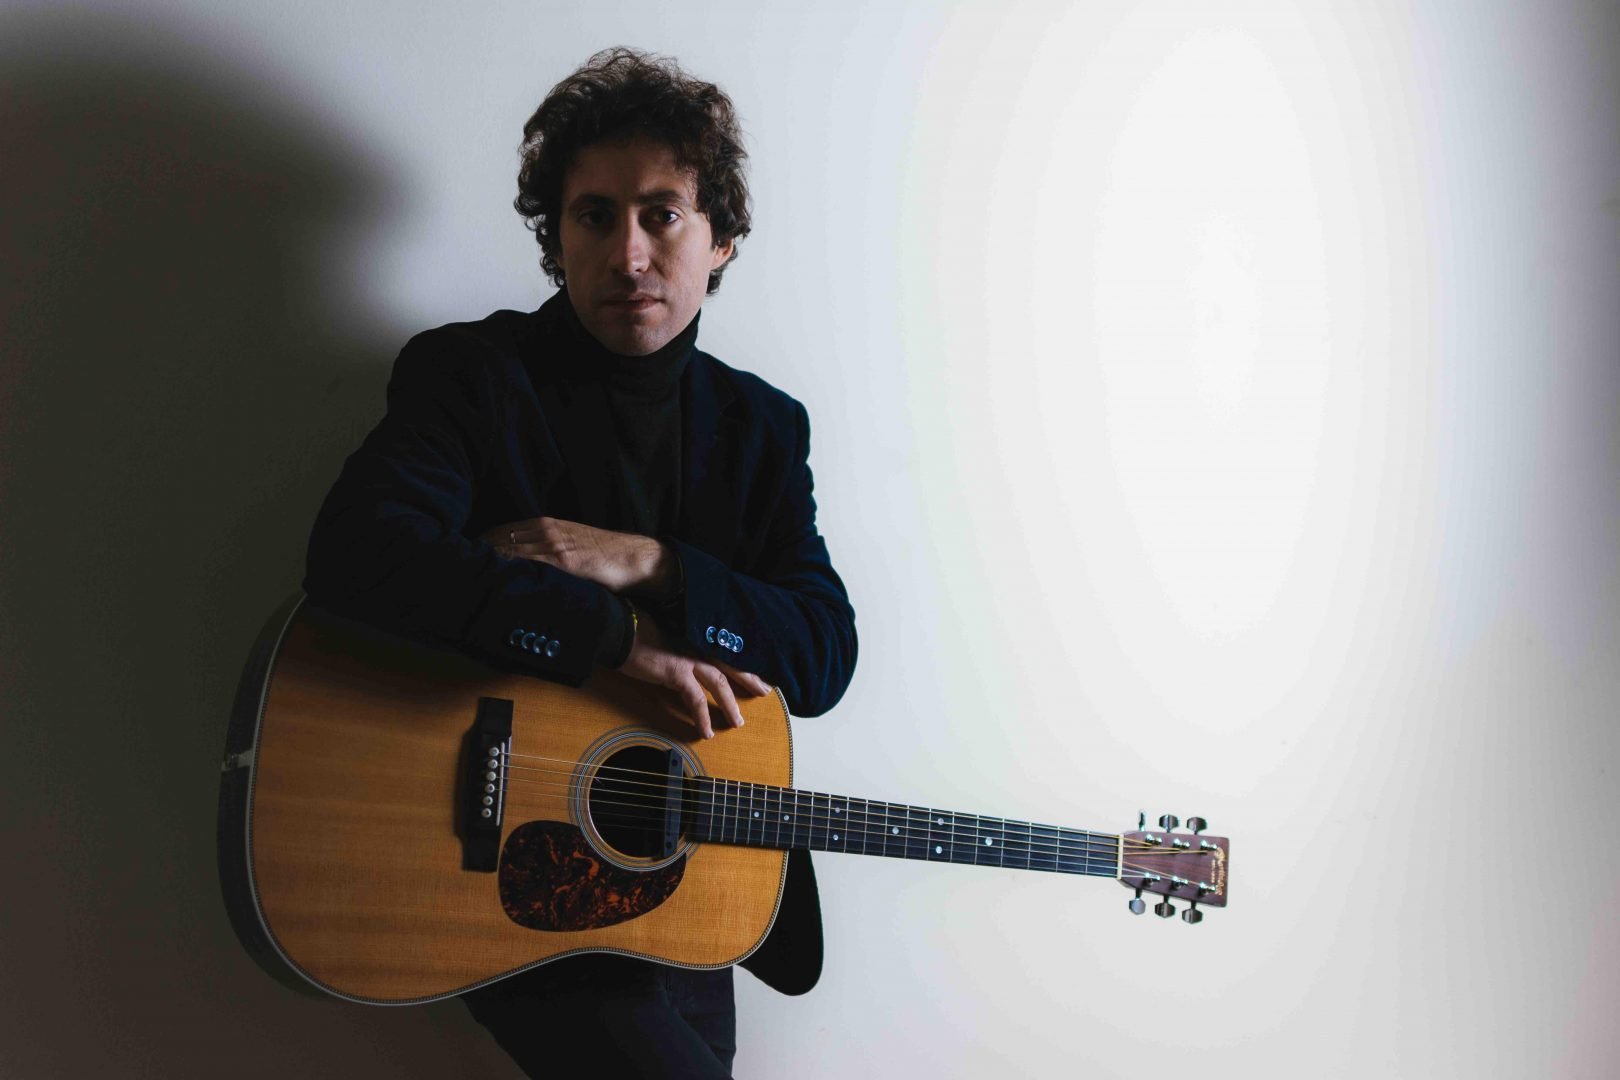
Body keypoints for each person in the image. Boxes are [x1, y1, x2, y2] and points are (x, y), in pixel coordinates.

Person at [301, 47, 857, 1078]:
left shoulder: (764, 430)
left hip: (688, 870)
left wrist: (650, 564)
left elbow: (822, 655)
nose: (628, 253)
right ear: (557, 238)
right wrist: (611, 643)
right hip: (496, 866)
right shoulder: (473, 376)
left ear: (722, 240)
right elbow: (358, 553)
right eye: (595, 216)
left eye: (662, 214)